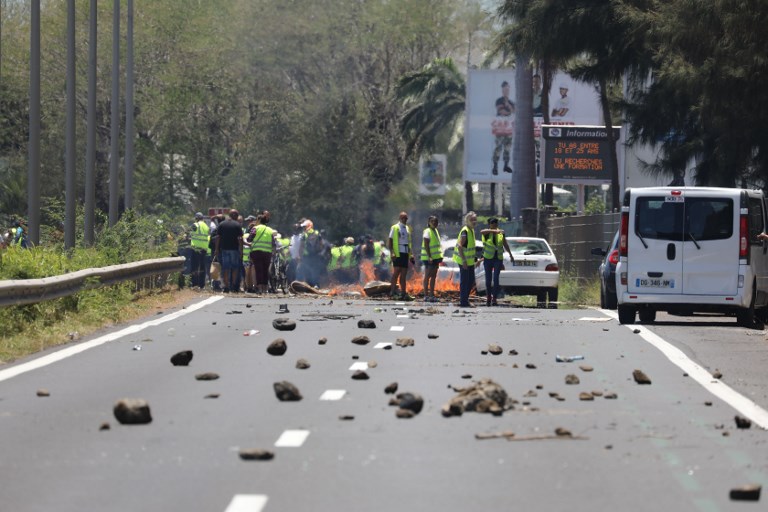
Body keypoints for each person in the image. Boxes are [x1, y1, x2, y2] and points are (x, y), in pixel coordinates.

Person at [480, 218, 514, 306]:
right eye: (492, 223)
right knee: (488, 280)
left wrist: (510, 254)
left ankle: (494, 298)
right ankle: (488, 298)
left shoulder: (501, 233)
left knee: (496, 279)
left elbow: (505, 244)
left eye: (496, 223)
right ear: (489, 224)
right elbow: (482, 231)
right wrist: (494, 231)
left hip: (498, 259)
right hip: (488, 259)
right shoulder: (487, 233)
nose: (494, 224)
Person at [214, 209, 243, 293]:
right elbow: (240, 238)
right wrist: (241, 250)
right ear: (237, 216)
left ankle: (226, 287)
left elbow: (218, 237)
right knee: (234, 268)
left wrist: (216, 249)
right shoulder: (237, 225)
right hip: (234, 249)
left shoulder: (222, 224)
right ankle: (233, 286)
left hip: (224, 249)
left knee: (225, 268)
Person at [454, 211, 479, 308]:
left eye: (475, 219)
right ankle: (463, 302)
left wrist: (475, 260)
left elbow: (470, 248)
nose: (474, 221)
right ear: (467, 220)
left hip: (470, 262)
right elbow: (460, 247)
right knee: (465, 281)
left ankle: (465, 299)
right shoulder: (465, 231)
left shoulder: (471, 230)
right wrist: (464, 261)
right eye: (472, 220)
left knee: (471, 280)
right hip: (464, 261)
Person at [388, 211, 414, 300]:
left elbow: (409, 243)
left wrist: (411, 255)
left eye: (406, 218)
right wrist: (392, 252)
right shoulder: (395, 227)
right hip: (397, 252)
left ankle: (403, 293)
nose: (405, 219)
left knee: (404, 273)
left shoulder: (407, 228)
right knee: (396, 272)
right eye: (403, 218)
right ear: (400, 218)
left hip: (405, 252)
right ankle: (392, 291)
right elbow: (390, 240)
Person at [491, 81, 515, 175]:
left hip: (509, 128)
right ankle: (495, 167)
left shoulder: (511, 102)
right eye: (505, 89)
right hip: (500, 127)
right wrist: (509, 111)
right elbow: (502, 112)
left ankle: (506, 166)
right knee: (498, 147)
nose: (506, 91)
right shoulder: (499, 100)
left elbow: (514, 111)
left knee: (507, 148)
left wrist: (508, 106)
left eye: (508, 89)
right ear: (502, 90)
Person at [248, 213, 275, 294]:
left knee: (258, 270)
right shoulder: (270, 230)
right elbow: (273, 242)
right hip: (267, 253)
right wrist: (274, 252)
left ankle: (259, 288)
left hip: (257, 252)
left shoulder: (255, 228)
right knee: (265, 270)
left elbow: (250, 239)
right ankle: (265, 288)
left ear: (259, 220)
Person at [420, 215, 443, 302]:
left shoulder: (435, 231)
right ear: (429, 223)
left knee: (433, 276)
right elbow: (426, 244)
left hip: (435, 258)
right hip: (428, 258)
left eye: (436, 221)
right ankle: (426, 295)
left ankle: (432, 295)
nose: (434, 223)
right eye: (432, 221)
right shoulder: (427, 231)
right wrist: (429, 256)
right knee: (427, 276)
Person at [297, 219, 324, 287]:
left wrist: (300, 256)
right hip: (316, 255)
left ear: (308, 226)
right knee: (315, 270)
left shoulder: (304, 235)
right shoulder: (317, 233)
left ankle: (309, 285)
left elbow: (301, 247)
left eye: (304, 226)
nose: (303, 228)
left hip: (307, 256)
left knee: (307, 270)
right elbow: (321, 244)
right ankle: (316, 285)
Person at [189, 212, 209, 289]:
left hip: (196, 248)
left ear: (196, 218)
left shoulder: (195, 225)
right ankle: (202, 284)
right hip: (204, 248)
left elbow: (188, 233)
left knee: (194, 266)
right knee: (202, 267)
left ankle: (194, 284)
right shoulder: (206, 226)